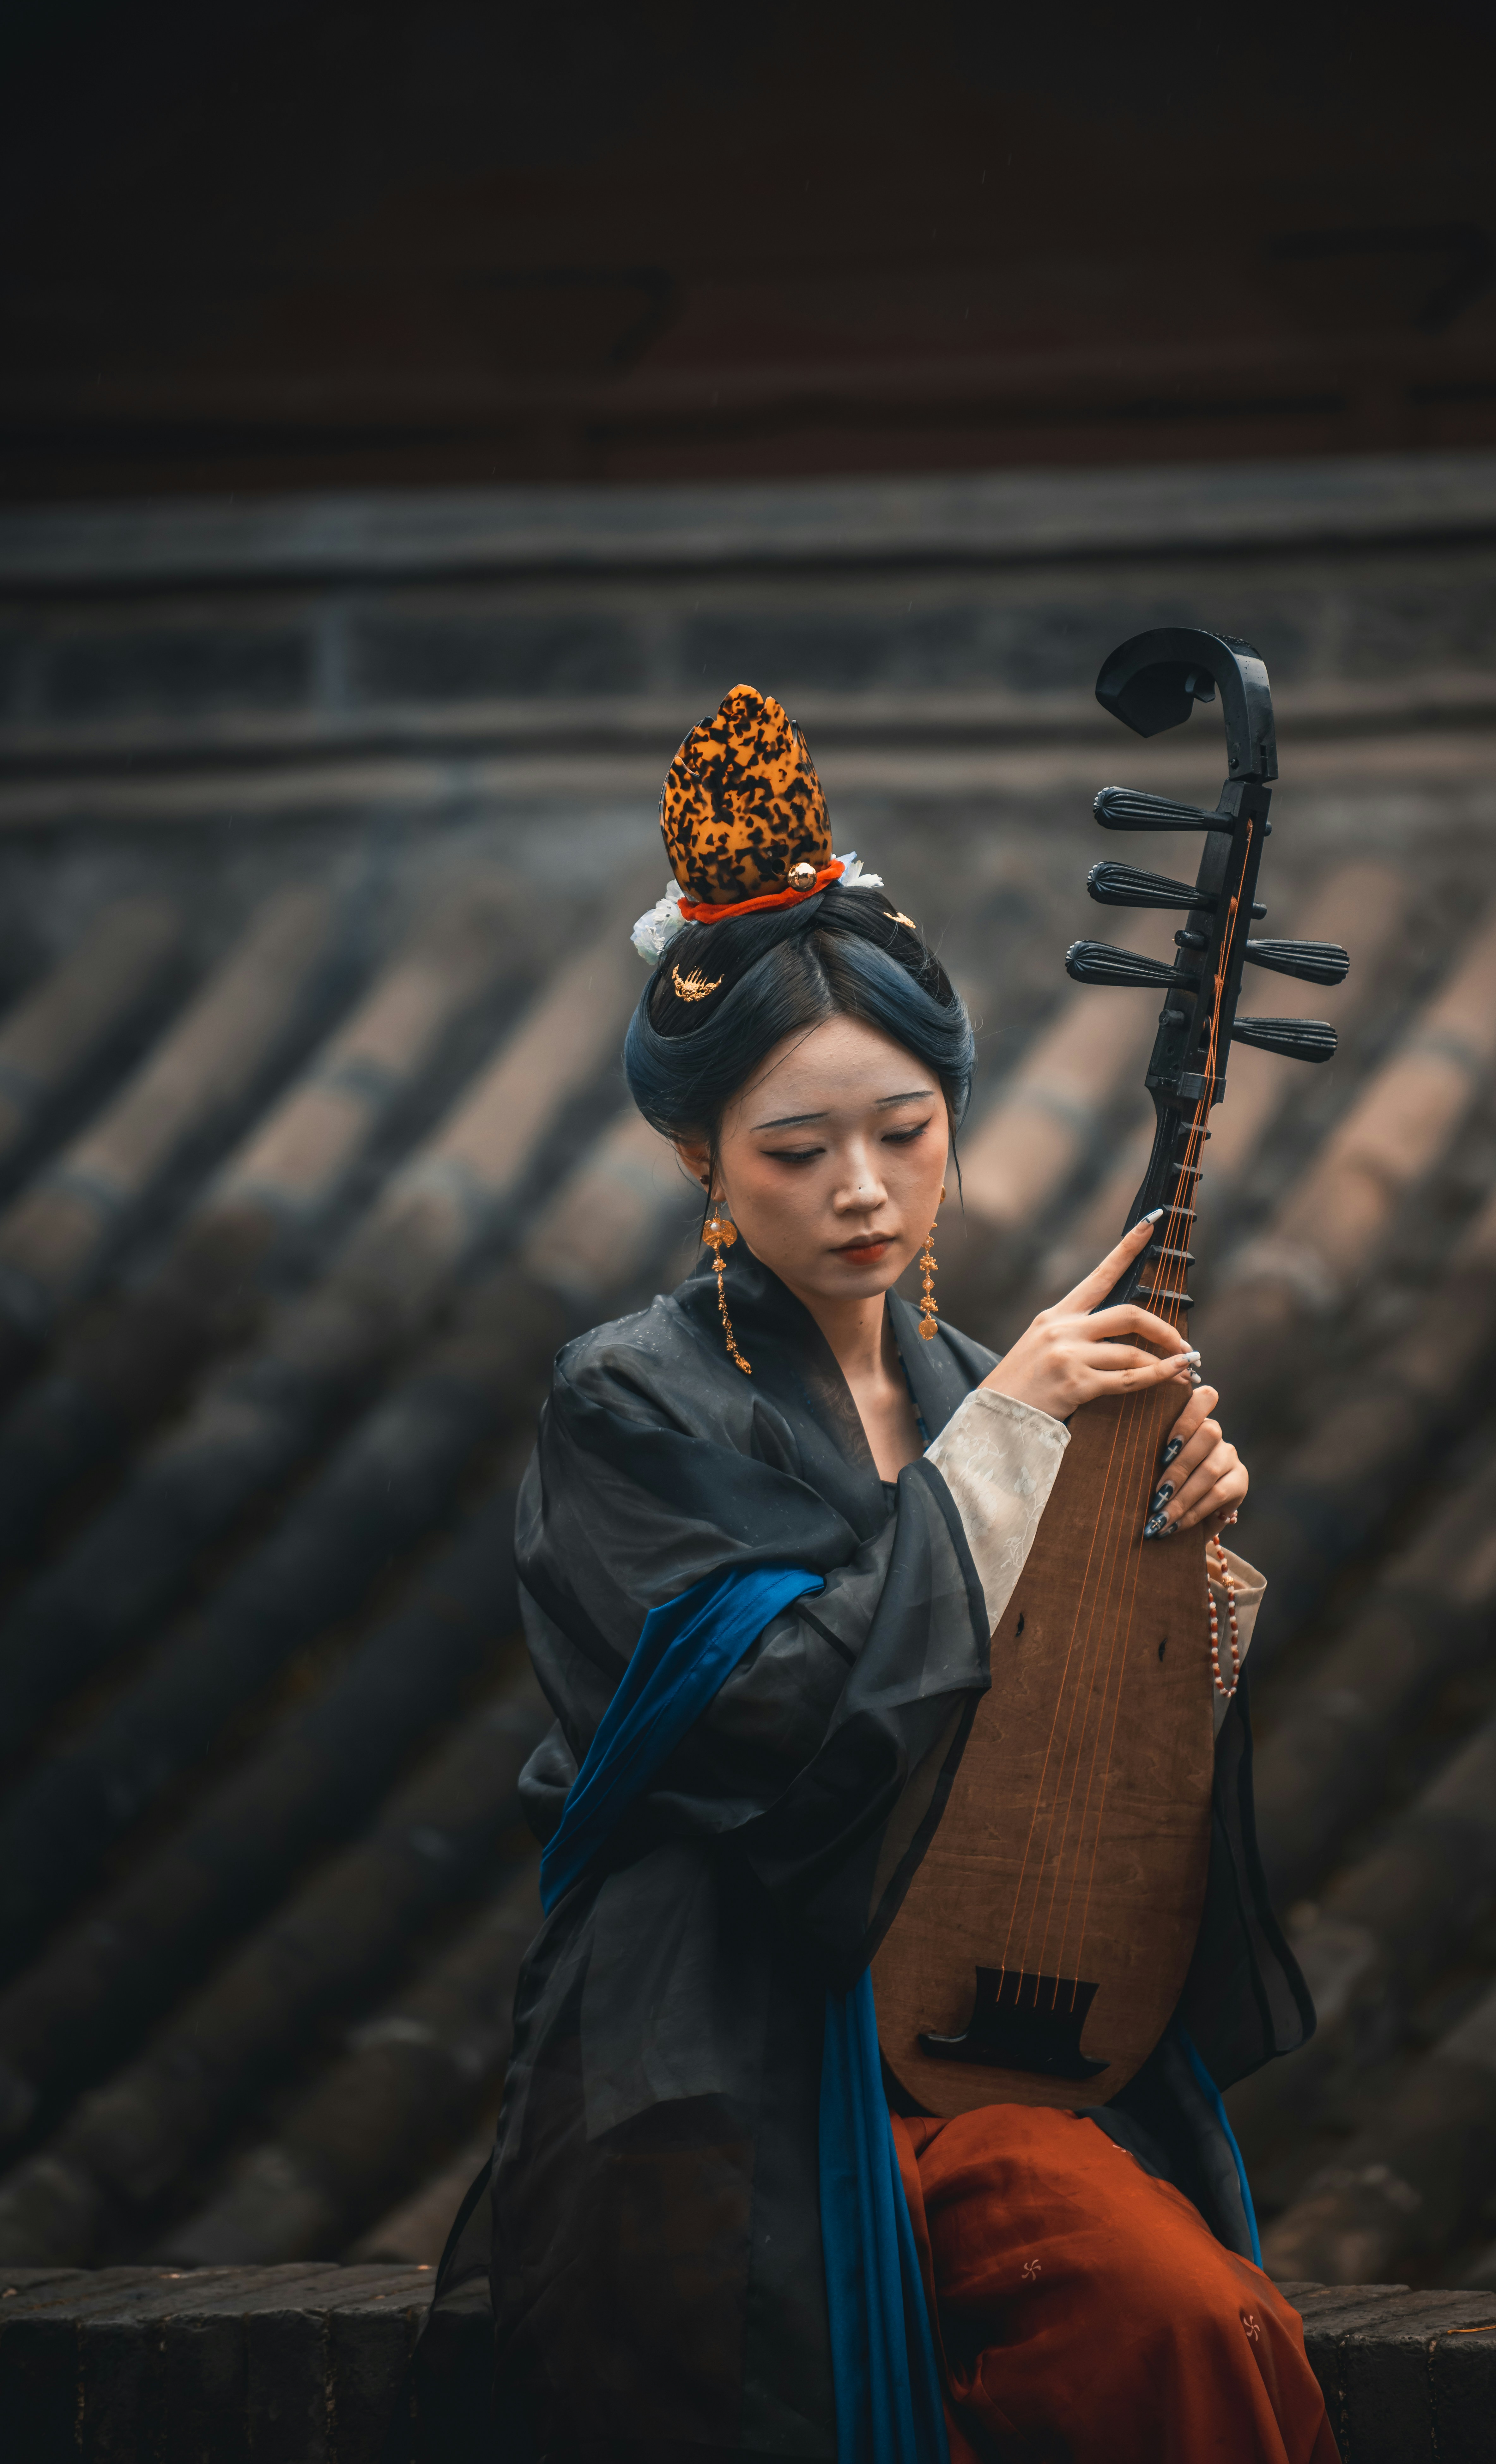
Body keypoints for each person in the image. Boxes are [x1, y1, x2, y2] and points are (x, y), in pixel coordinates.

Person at [423, 687, 1336, 2464]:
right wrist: (1006, 1460)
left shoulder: (979, 1379)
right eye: (793, 1149)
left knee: (1191, 2319)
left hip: (981, 2027)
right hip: (731, 2051)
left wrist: (1174, 1567)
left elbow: (1074, 1759)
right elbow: (765, 1719)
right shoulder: (631, 1396)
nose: (862, 1191)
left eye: (904, 1132)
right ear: (701, 1158)